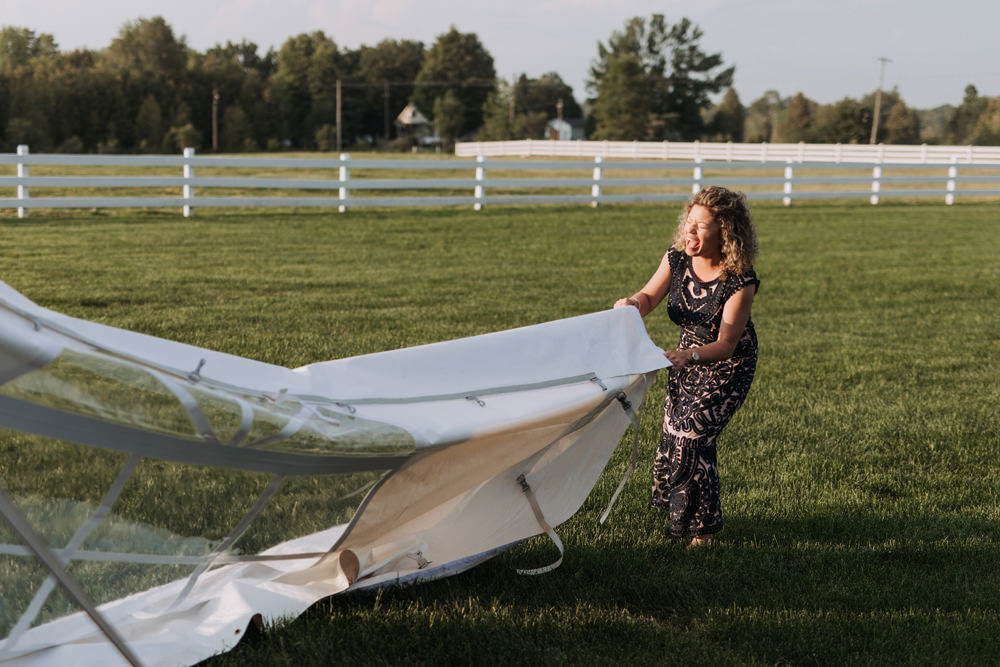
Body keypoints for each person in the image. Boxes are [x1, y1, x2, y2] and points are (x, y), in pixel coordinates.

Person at [614, 185, 759, 547]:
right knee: (673, 431)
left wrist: (689, 356)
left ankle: (702, 532)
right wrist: (632, 304)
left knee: (692, 435)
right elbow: (649, 297)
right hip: (685, 358)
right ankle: (679, 514)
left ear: (725, 232)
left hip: (727, 365)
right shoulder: (677, 258)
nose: (689, 231)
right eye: (689, 222)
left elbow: (726, 344)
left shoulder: (740, 279)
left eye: (701, 225)